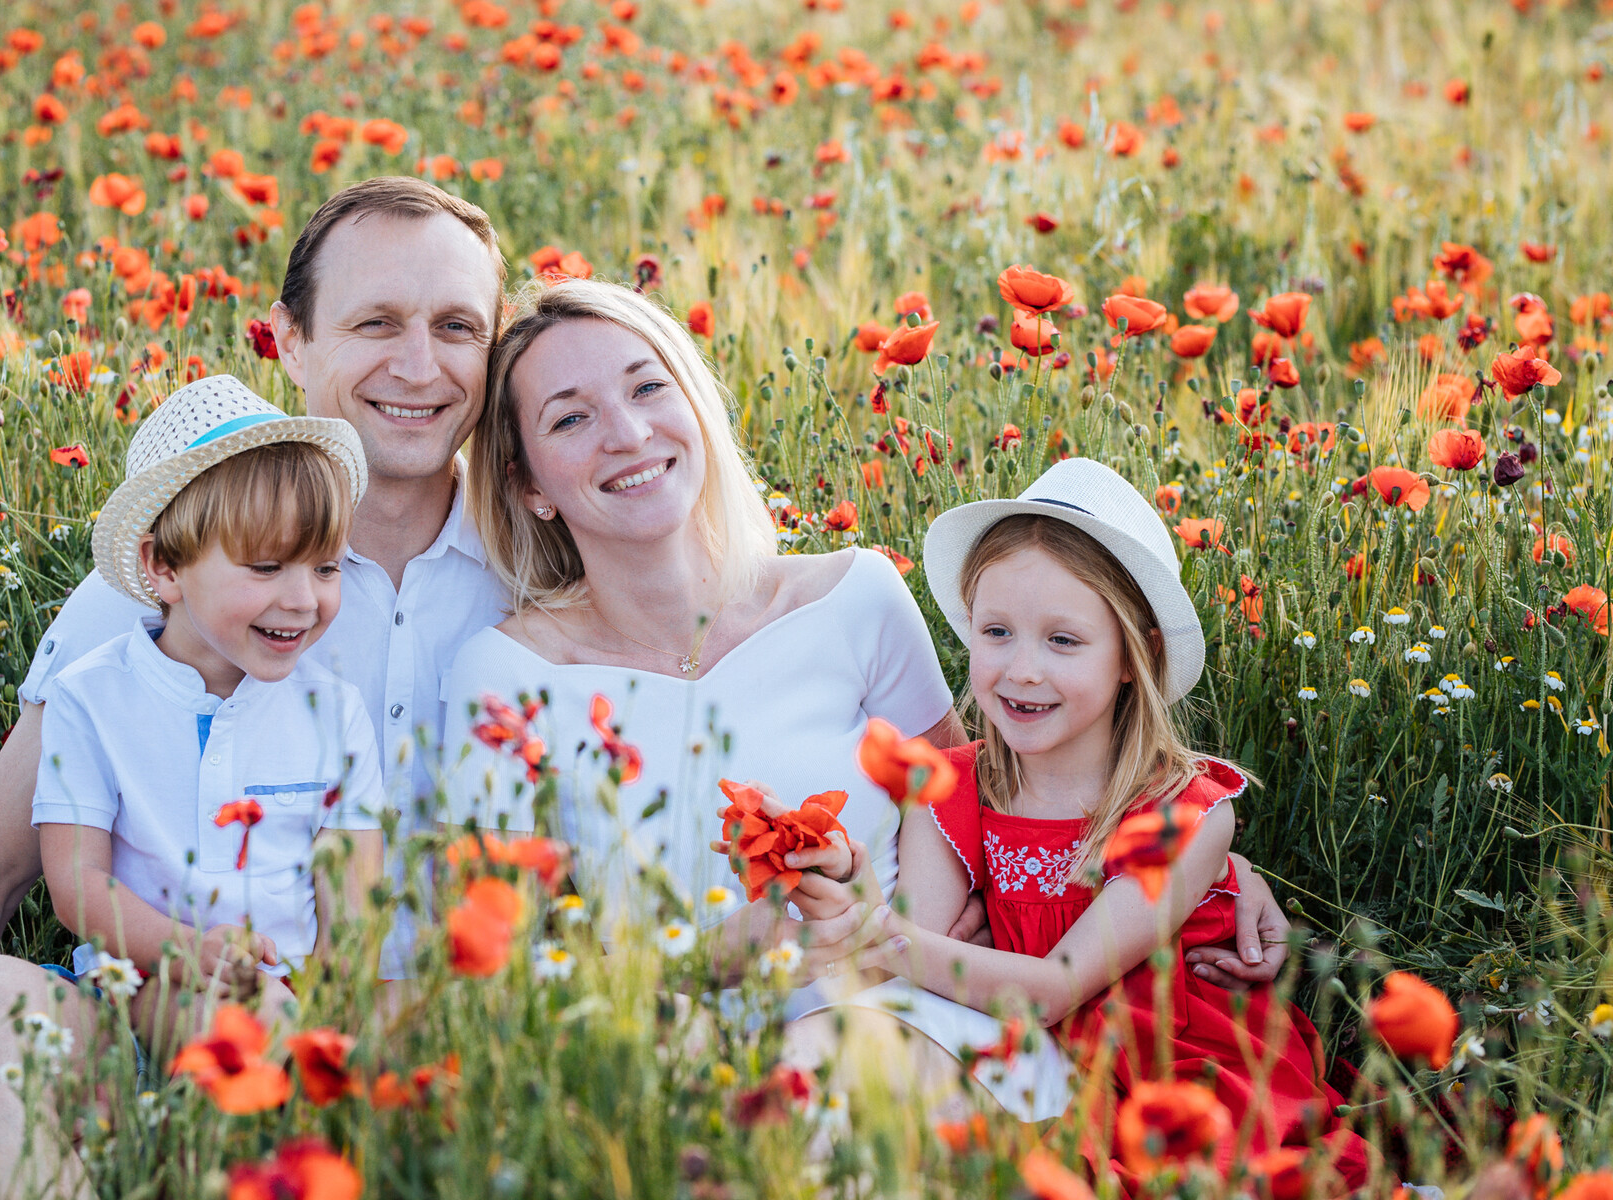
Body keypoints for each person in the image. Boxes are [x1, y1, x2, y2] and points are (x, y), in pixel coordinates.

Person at [440, 278, 1290, 1115]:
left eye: (647, 386)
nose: (626, 432)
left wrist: (1207, 868)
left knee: (811, 1076)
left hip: (906, 1020)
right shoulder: (505, 677)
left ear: (694, 405)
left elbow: (998, 793)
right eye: (570, 417)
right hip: (667, 1032)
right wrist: (741, 948)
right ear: (528, 488)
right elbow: (512, 966)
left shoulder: (854, 597)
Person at [0, 177, 509, 1200]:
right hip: (157, 1007)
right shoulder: (148, 605)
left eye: (458, 326)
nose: (421, 365)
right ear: (288, 339)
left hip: (438, 1049)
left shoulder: (540, 576)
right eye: (376, 323)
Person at [837, 457, 1370, 1183]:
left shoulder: (1183, 814)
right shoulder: (948, 792)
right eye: (996, 632)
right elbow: (919, 969)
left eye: (1063, 640)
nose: (1022, 669)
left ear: (1135, 654)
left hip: (1173, 1070)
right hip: (1029, 1052)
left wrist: (875, 933)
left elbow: (1050, 984)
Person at [33, 377, 384, 1047]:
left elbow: (351, 900)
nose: (303, 599)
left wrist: (336, 1010)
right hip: (134, 987)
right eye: (266, 566)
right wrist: (187, 951)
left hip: (284, 994)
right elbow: (77, 881)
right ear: (165, 568)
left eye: (326, 568)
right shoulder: (91, 697)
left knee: (264, 1027)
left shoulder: (334, 714)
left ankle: (212, 1132)